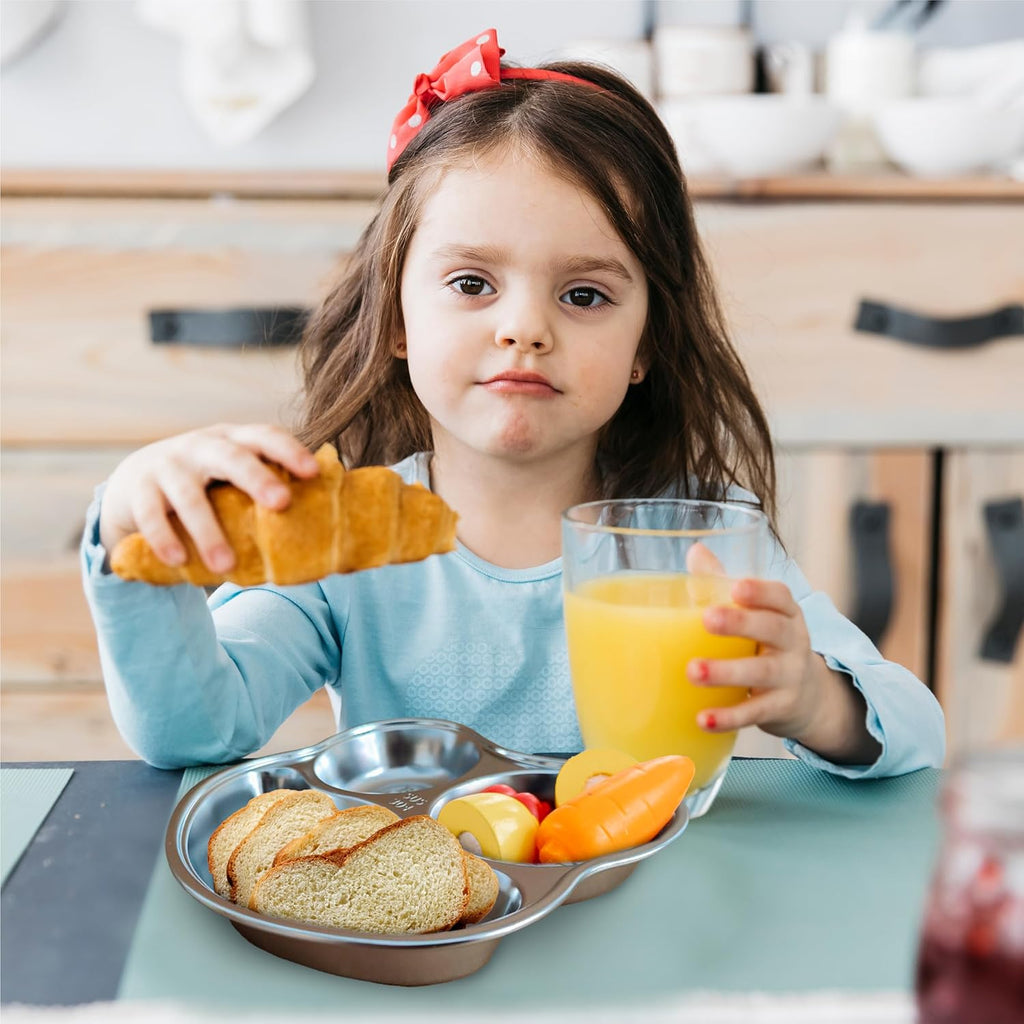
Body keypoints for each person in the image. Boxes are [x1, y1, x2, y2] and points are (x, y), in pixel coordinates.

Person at [81, 29, 944, 775]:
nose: (524, 328)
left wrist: (817, 703)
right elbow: (195, 732)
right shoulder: (348, 555)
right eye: (470, 282)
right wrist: (128, 526)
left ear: (646, 344)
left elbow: (919, 735)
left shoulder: (702, 541)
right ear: (398, 320)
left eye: (584, 296)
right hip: (424, 928)